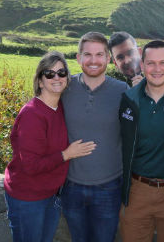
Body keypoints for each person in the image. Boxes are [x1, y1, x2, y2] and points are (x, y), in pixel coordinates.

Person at [4, 51, 96, 242]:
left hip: (51, 195)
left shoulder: (61, 107)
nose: (56, 78)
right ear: (40, 81)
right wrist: (66, 154)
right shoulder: (32, 114)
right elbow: (30, 165)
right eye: (49, 74)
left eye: (62, 73)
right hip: (28, 198)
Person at [119, 40, 164, 242]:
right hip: (137, 191)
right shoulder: (129, 99)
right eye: (151, 63)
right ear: (142, 65)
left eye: (163, 62)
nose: (157, 69)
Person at [60, 32, 128, 242]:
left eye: (100, 54)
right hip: (71, 185)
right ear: (78, 58)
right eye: (87, 54)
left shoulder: (122, 91)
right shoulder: (63, 88)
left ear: (109, 59)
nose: (93, 60)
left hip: (109, 187)